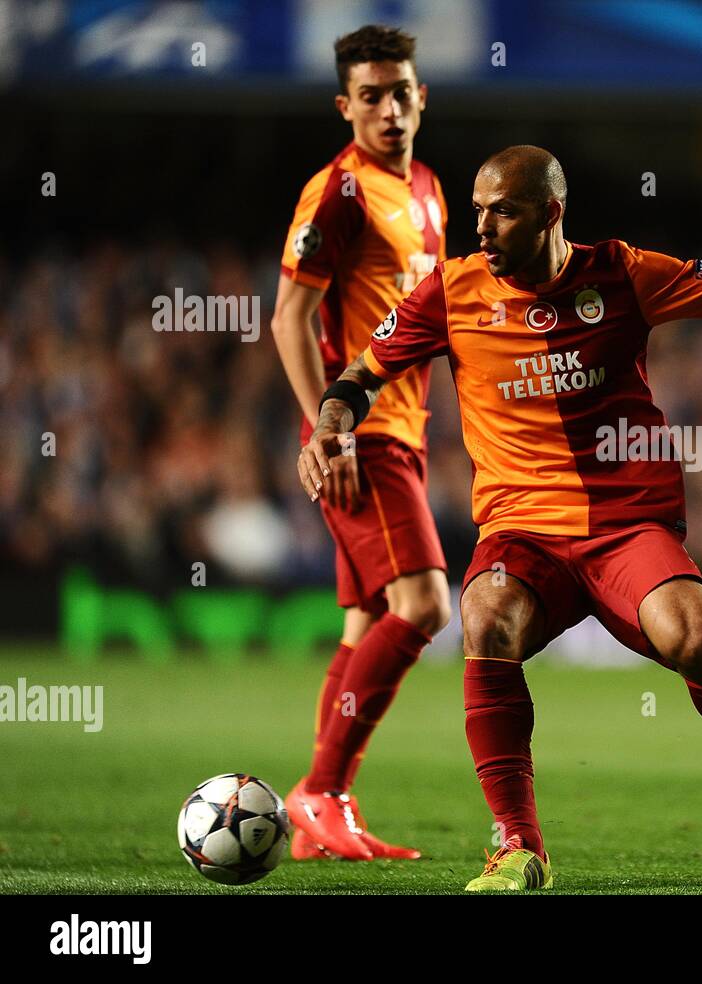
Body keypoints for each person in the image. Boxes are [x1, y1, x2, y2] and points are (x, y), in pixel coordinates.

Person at [296, 144, 702, 890]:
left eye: (503, 212)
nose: (482, 228)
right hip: (522, 533)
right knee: (483, 615)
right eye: (477, 210)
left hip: (625, 528)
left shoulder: (620, 272)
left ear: (551, 212)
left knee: (701, 640)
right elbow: (358, 377)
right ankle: (517, 844)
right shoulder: (450, 292)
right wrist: (330, 424)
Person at [270, 24, 452, 861]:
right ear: (345, 107)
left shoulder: (430, 190)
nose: (388, 107)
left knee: (363, 621)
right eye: (370, 95)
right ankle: (321, 792)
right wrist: (330, 430)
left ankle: (316, 822)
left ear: (422, 97)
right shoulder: (337, 192)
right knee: (423, 605)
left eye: (401, 91)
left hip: (403, 430)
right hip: (360, 434)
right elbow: (289, 318)